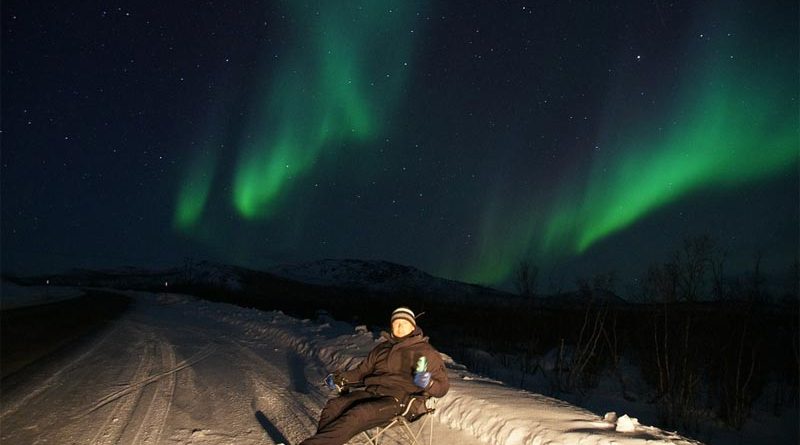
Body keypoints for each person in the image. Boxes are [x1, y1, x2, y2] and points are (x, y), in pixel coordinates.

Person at [298, 307, 449, 445]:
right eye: (396, 323)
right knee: (334, 406)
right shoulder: (381, 349)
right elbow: (362, 372)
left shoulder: (426, 352)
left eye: (404, 323)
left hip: (399, 400)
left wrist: (428, 383)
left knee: (358, 413)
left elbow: (442, 387)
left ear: (413, 326)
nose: (400, 327)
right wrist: (341, 377)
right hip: (371, 392)